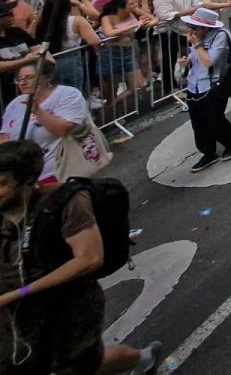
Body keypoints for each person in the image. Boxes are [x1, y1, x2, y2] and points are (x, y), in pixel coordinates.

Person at [0, 140, 164, 374]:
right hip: (13, 315)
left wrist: (19, 293)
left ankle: (142, 359)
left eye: (1, 183)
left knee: (77, 366)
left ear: (26, 180)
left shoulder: (66, 201)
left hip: (68, 309)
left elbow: (89, 259)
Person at [0, 61, 88, 182]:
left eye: (29, 77)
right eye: (19, 79)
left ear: (48, 77)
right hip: (25, 174)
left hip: (60, 169)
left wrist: (38, 112)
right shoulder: (15, 104)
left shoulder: (68, 95)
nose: (23, 82)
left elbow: (63, 130)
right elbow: (4, 137)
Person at [180, 8, 231, 173]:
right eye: (190, 26)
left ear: (205, 27)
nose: (191, 31)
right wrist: (187, 60)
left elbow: (209, 61)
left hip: (214, 84)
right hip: (195, 84)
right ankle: (208, 152)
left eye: (195, 27)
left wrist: (197, 45)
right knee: (198, 122)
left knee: (214, 119)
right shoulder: (196, 38)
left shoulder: (220, 36)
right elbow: (197, 57)